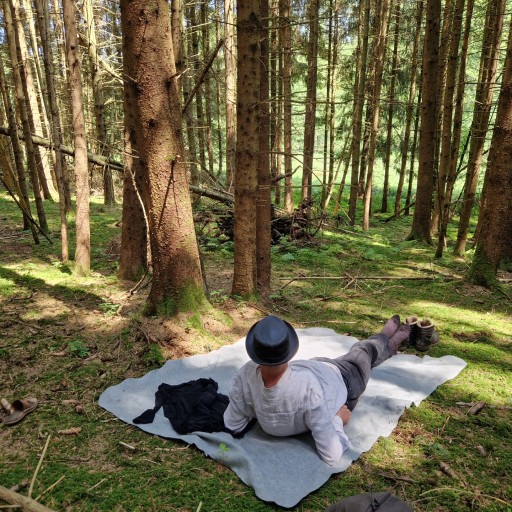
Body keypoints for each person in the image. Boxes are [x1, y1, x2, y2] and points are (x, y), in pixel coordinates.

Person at [223, 314, 410, 465]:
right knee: (362, 352)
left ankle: (388, 348)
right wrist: (337, 420)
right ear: (288, 352)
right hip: (345, 381)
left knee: (354, 356)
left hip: (318, 367)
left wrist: (257, 406)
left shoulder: (244, 376)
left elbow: (233, 423)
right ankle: (383, 339)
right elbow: (331, 454)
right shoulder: (307, 390)